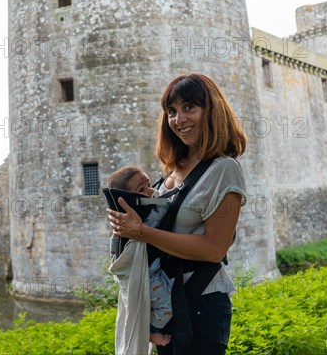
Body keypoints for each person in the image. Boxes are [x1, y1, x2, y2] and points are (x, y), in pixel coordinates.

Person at [107, 73, 247, 355]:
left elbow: (214, 249)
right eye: (171, 111)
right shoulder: (173, 169)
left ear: (211, 111)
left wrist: (141, 231)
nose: (178, 119)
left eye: (188, 108)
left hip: (200, 305)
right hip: (167, 307)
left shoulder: (224, 169)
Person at [106, 166, 172, 348]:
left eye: (149, 184)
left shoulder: (123, 222)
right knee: (167, 306)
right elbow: (164, 206)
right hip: (147, 276)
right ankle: (150, 331)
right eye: (142, 190)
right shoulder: (138, 220)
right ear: (129, 199)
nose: (151, 191)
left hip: (145, 272)